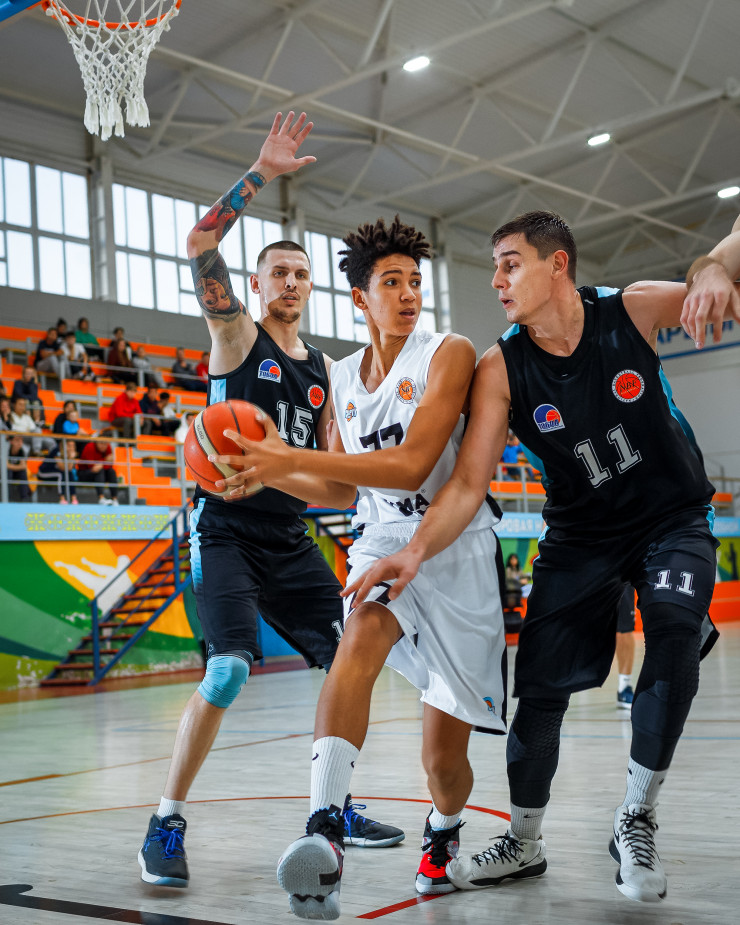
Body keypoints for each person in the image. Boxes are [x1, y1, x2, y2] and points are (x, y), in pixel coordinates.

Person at [342, 210, 740, 905]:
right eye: (494, 267)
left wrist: (712, 268)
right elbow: (469, 482)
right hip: (580, 537)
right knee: (539, 692)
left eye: (511, 264)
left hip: (671, 518)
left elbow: (721, 266)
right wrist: (413, 550)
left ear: (558, 265)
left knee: (674, 634)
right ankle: (523, 842)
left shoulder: (630, 310)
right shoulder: (501, 368)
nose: (497, 280)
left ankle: (635, 817)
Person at [211, 209, 507, 919]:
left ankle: (443, 832)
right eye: (392, 282)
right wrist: (266, 474)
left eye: (415, 282)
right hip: (379, 540)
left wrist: (286, 456)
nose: (408, 294)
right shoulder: (341, 375)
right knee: (359, 636)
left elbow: (410, 466)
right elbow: (343, 490)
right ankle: (323, 826)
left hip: (451, 545)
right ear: (360, 298)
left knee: (443, 761)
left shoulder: (448, 352)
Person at [136, 111, 403, 894]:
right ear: (255, 286)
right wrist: (260, 173)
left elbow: (341, 487)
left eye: (300, 274)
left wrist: (273, 470)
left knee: (349, 661)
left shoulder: (325, 373)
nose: (290, 282)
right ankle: (165, 821)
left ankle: (334, 806)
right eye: (277, 272)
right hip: (223, 531)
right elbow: (198, 241)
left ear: (312, 288)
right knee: (226, 670)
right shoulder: (235, 338)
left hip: (287, 536)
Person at [78, 435, 119, 505]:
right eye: (101, 443)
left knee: (111, 472)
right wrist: (105, 461)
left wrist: (101, 464)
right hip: (84, 473)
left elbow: (109, 465)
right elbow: (93, 467)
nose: (103, 446)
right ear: (96, 442)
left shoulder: (108, 447)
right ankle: (101, 498)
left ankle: (114, 499)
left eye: (105, 444)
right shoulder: (90, 447)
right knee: (100, 471)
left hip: (99, 473)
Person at [38, 439, 80, 504]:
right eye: (69, 445)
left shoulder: (71, 453)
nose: (71, 448)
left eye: (73, 446)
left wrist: (71, 458)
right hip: (43, 472)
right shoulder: (57, 450)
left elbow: (69, 469)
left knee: (70, 473)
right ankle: (62, 498)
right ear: (63, 445)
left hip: (57, 472)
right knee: (61, 474)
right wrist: (71, 458)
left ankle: (74, 498)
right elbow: (62, 468)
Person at [616, 584, 636, 710]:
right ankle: (559, 688)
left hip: (621, 576)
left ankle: (623, 687)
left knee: (624, 629)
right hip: (584, 573)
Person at [6, 433, 31, 501]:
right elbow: (5, 466)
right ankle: (7, 498)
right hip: (5, 474)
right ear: (11, 441)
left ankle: (25, 498)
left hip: (15, 473)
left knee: (23, 473)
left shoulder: (22, 451)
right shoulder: (7, 449)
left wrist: (12, 467)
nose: (20, 443)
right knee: (8, 472)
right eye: (17, 440)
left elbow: (24, 466)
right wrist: (17, 467)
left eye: (21, 440)